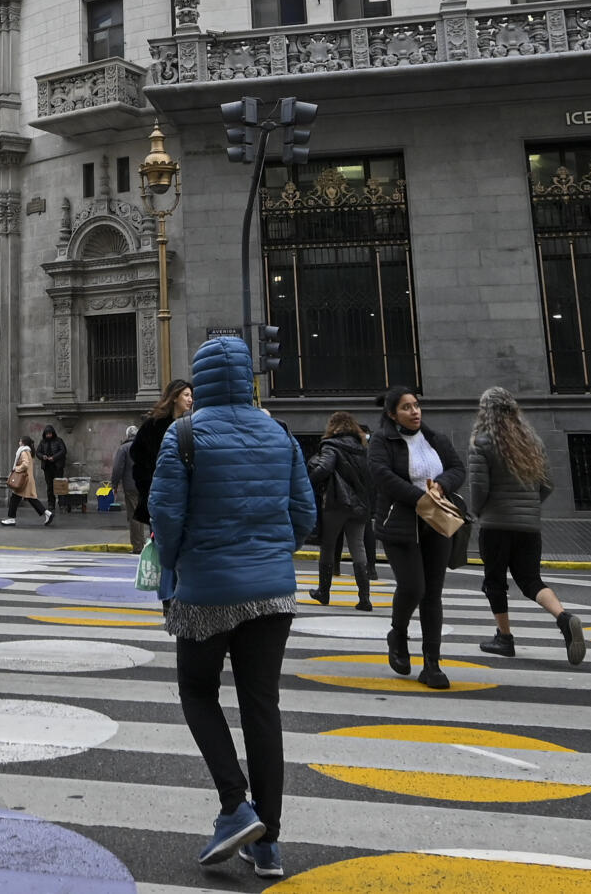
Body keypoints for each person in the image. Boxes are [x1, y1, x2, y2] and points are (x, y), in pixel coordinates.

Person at [150, 335, 315, 880]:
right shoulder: (280, 433)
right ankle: (268, 842)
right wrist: (270, 553)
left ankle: (234, 805)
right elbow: (304, 515)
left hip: (206, 590)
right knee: (261, 707)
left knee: (197, 692)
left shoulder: (186, 434)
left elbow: (165, 516)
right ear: (249, 378)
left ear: (201, 377)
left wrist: (174, 566)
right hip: (273, 591)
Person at [464, 388, 587, 664]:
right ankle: (563, 617)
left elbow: (479, 487)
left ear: (485, 412)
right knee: (531, 580)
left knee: (494, 581)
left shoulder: (481, 442)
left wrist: (477, 511)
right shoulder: (533, 441)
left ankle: (504, 638)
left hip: (496, 524)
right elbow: (548, 484)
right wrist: (531, 506)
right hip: (529, 527)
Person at [368, 386, 465, 688]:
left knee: (433, 593)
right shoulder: (382, 441)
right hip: (399, 524)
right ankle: (398, 633)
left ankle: (432, 664)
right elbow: (382, 475)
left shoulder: (435, 439)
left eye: (417, 405)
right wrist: (419, 497)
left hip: (436, 522)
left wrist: (441, 487)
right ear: (391, 413)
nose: (415, 412)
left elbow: (457, 468)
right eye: (407, 407)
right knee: (413, 587)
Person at [307, 412, 373, 609]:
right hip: (360, 504)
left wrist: (307, 481)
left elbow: (324, 468)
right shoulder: (363, 448)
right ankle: (364, 598)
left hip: (337, 502)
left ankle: (324, 592)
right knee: (357, 546)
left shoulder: (331, 446)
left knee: (328, 545)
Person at [132, 378, 192, 532]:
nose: (190, 399)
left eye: (191, 396)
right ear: (174, 397)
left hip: (180, 495)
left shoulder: (187, 424)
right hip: (159, 495)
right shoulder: (153, 424)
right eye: (186, 395)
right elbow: (137, 454)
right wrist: (148, 486)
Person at [111, 426, 144, 551]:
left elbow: (117, 468)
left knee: (134, 516)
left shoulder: (124, 448)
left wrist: (114, 484)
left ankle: (137, 546)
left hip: (131, 486)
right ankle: (140, 543)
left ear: (127, 435)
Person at [3, 435, 49, 524]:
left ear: (23, 442)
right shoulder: (29, 451)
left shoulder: (23, 451)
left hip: (23, 480)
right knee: (27, 499)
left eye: (20, 441)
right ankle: (47, 513)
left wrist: (16, 469)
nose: (19, 443)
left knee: (16, 498)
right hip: (27, 479)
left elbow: (25, 464)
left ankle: (11, 518)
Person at [35, 423, 69, 515]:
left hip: (57, 466)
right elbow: (38, 452)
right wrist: (43, 457)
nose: (48, 435)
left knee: (60, 485)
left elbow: (63, 451)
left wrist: (54, 457)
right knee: (50, 486)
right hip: (47, 467)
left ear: (53, 433)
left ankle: (62, 504)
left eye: (50, 433)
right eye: (47, 434)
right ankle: (51, 504)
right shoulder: (43, 442)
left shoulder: (59, 440)